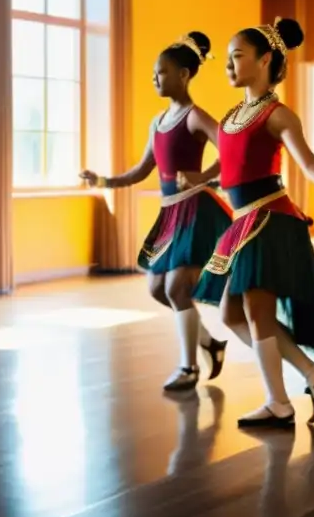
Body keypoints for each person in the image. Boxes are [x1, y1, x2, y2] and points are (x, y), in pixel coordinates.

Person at [191, 17, 314, 428]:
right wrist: (201, 179)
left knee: (254, 310)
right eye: (228, 58)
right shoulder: (233, 114)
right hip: (242, 221)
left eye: (237, 56)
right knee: (231, 314)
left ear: (264, 59)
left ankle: (279, 404)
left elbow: (309, 162)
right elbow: (231, 166)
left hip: (269, 219)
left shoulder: (279, 115)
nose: (229, 65)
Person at [81, 31, 233, 392]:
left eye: (161, 72)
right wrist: (103, 180)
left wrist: (204, 177)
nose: (155, 78)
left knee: (178, 287)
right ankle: (210, 343)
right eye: (154, 72)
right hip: (170, 216)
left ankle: (189, 368)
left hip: (195, 213)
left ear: (183, 74)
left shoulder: (195, 117)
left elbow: (230, 151)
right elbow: (141, 169)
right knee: (157, 289)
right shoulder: (157, 122)